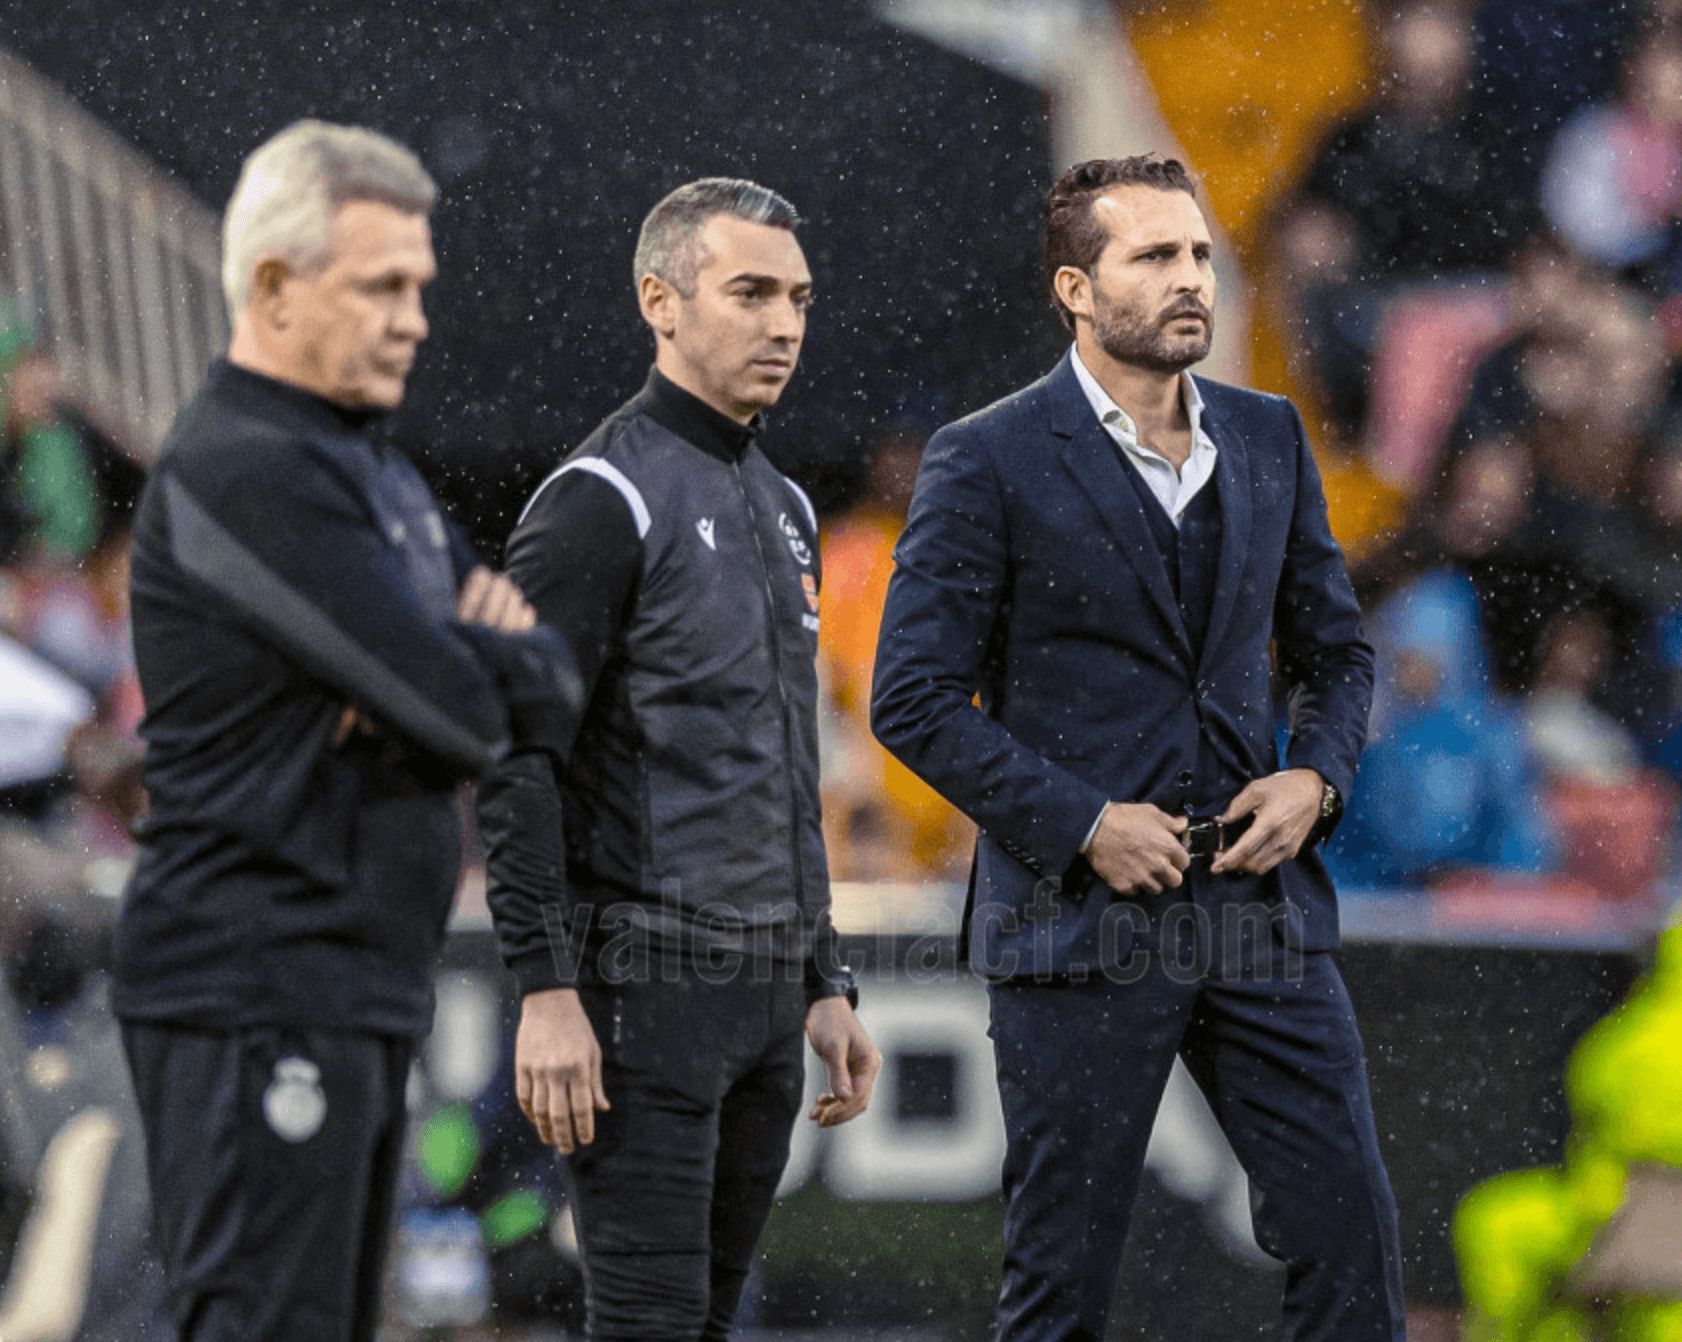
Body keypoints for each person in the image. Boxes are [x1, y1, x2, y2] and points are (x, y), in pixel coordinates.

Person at [871, 156, 1405, 1341]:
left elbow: (1337, 657)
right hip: (1076, 918)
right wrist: (1083, 822)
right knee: (1061, 1284)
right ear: (1075, 285)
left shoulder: (1268, 436)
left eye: (1200, 255)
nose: (1189, 280)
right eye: (1153, 256)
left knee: (1351, 1247)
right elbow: (907, 699)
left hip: (1258, 910)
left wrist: (1316, 778)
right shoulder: (985, 454)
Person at [113, 120, 581, 1342]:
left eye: (418, 285)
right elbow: (470, 709)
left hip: (347, 986)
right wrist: (469, 659)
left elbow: (544, 684)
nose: (415, 317)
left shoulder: (373, 474)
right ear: (271, 284)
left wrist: (459, 660)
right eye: (382, 285)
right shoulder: (245, 466)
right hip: (253, 986)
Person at [478, 177, 879, 1342]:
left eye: (798, 297)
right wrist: (546, 988)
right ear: (660, 300)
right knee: (646, 1323)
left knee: (703, 1322)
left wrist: (820, 976)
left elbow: (780, 762)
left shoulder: (789, 505)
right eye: (749, 291)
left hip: (763, 989)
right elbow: (516, 752)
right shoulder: (596, 497)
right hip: (640, 984)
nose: (784, 324)